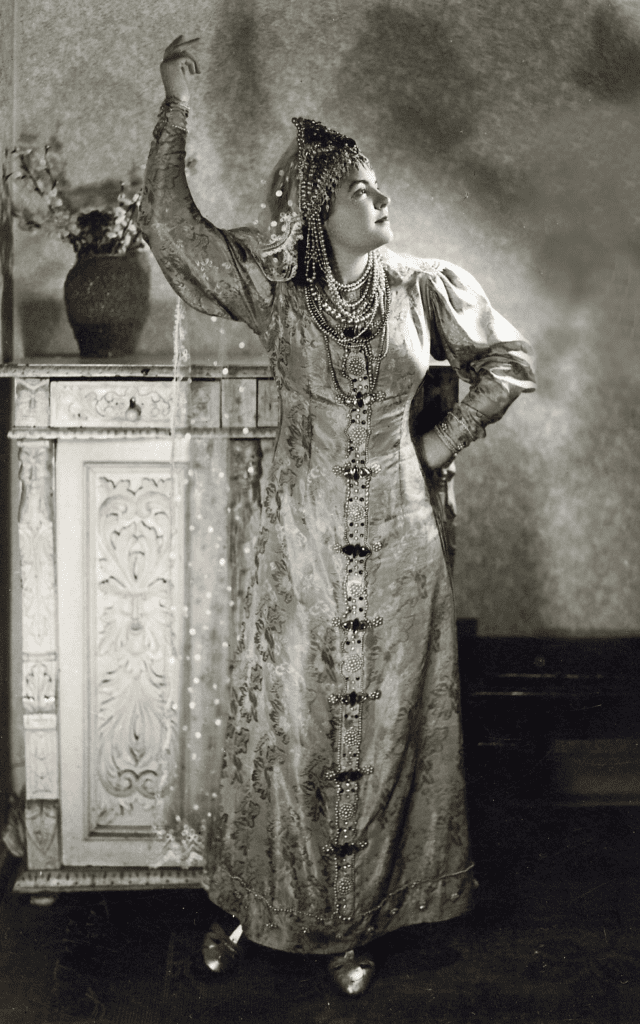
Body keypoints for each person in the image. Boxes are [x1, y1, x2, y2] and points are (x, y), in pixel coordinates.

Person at [138, 34, 536, 997]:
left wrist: (436, 448)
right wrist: (176, 107)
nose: (381, 200)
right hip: (301, 545)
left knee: (391, 722)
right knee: (294, 727)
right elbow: (172, 226)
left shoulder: (420, 286)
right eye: (362, 189)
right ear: (319, 208)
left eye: (379, 185)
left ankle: (357, 919)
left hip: (404, 544)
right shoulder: (275, 294)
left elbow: (507, 365)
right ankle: (267, 905)